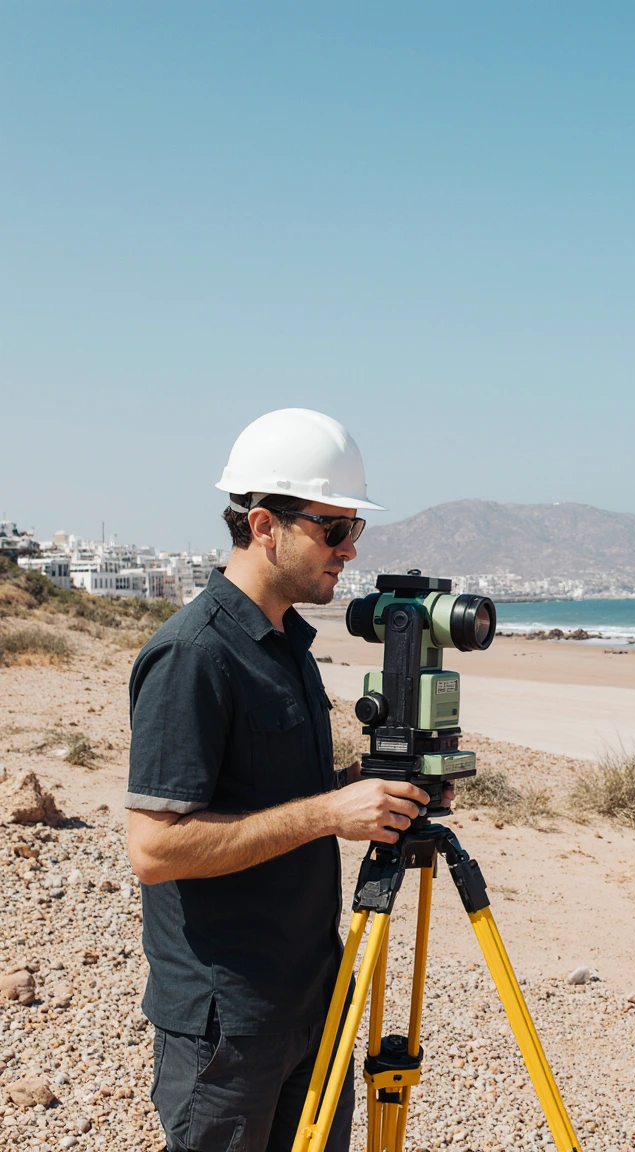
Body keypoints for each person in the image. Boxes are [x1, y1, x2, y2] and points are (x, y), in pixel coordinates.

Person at [126, 408, 437, 1152]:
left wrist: (365, 787)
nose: (350, 549)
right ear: (265, 525)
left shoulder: (287, 643)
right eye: (335, 529)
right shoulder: (194, 655)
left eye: (355, 528)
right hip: (229, 1022)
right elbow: (154, 849)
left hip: (312, 998)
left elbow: (275, 796)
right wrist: (331, 813)